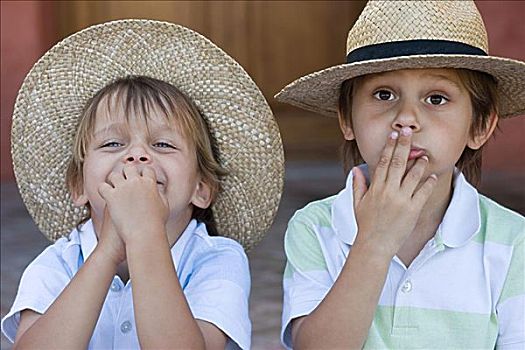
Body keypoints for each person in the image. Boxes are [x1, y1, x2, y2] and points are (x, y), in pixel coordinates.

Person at [2, 19, 284, 349]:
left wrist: (143, 236)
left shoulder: (217, 259)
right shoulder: (59, 262)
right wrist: (107, 252)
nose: (137, 155)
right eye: (112, 144)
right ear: (78, 186)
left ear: (202, 188)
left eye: (163, 144)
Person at [275, 1, 524, 348]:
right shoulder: (317, 227)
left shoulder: (513, 242)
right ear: (347, 119)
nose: (406, 118)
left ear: (479, 125)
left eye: (436, 99)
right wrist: (373, 245)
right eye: (384, 94)